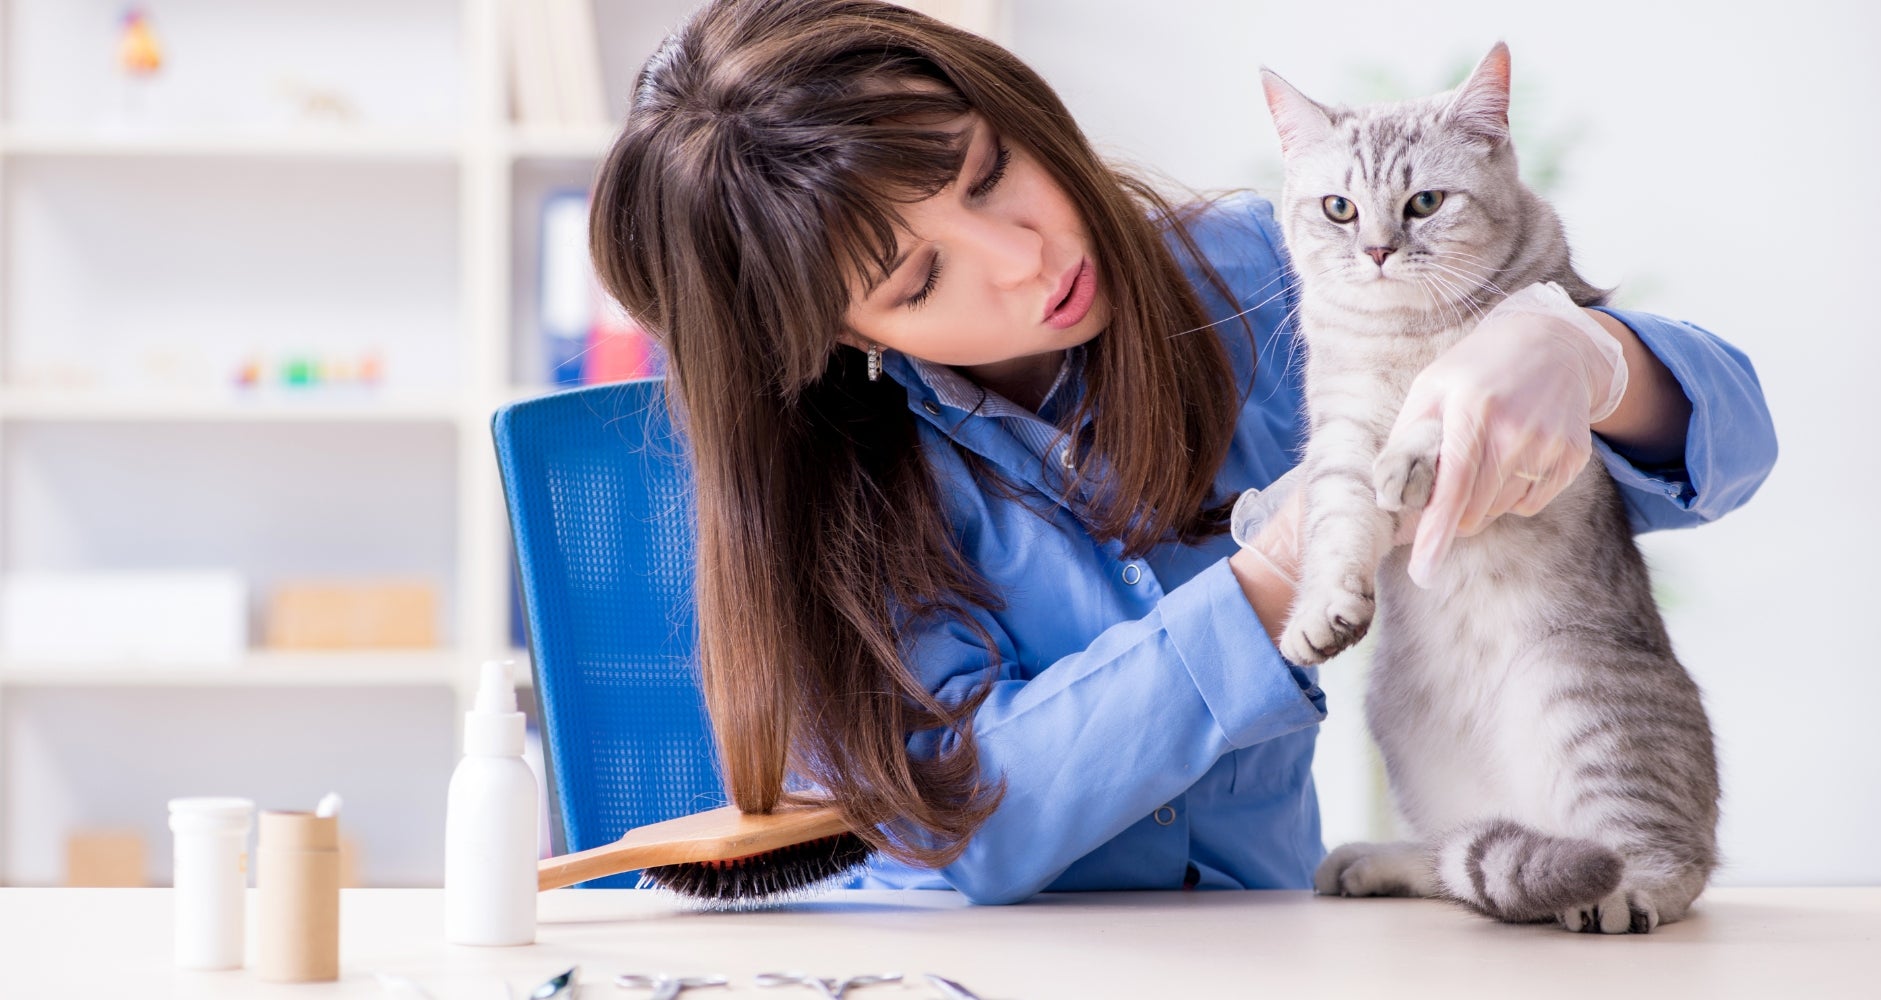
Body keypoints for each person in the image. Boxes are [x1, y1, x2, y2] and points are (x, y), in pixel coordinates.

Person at [587, 0, 1778, 905]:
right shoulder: (831, 490)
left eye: (992, 171)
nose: (1021, 255)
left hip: (1268, 950)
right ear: (836, 339)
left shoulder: (1266, 271)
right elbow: (968, 826)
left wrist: (1589, 357)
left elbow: (1728, 449)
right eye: (919, 276)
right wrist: (1268, 581)